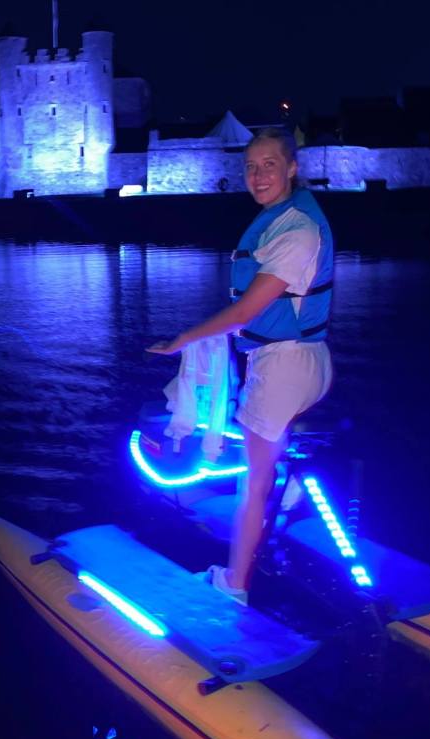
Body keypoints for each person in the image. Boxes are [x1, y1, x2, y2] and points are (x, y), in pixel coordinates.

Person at [147, 127, 334, 605]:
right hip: (303, 361)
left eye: (270, 164)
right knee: (267, 457)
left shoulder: (296, 230)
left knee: (251, 484)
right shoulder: (282, 219)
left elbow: (248, 311)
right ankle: (285, 495)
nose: (258, 175)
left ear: (292, 167)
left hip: (284, 367)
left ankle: (235, 587)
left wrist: (183, 341)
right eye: (251, 166)